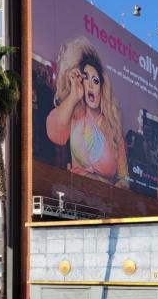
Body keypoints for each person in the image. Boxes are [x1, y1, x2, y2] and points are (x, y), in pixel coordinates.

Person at [46, 35, 129, 188]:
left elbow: (126, 178)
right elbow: (54, 132)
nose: (90, 85)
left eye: (95, 81)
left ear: (102, 87)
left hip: (105, 205)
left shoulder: (114, 130)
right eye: (86, 78)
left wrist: (119, 186)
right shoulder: (76, 114)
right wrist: (73, 96)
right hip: (75, 197)